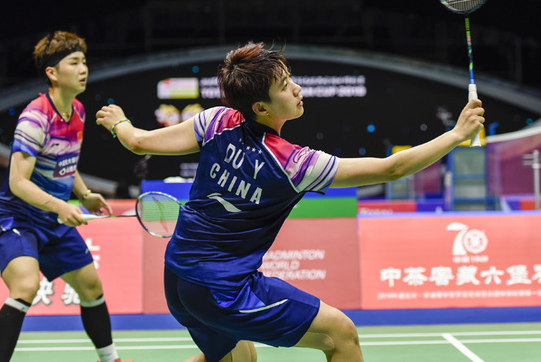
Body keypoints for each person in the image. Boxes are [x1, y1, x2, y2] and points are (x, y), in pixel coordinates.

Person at [95, 41, 485, 362]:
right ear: (261, 107)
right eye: (285, 86)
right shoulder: (294, 164)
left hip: (179, 279)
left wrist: (118, 122)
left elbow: (137, 141)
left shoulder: (215, 123)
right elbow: (391, 169)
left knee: (237, 360)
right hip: (222, 288)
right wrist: (455, 135)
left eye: (290, 79)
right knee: (340, 334)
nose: (296, 89)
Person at [0, 31, 134, 362]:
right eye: (74, 62)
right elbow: (18, 181)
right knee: (25, 287)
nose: (84, 68)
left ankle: (110, 360)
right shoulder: (35, 117)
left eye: (84, 61)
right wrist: (60, 205)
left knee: (91, 287)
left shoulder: (79, 111)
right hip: (20, 218)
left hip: (54, 220)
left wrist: (83, 194)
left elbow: (65, 163)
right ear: (53, 73)